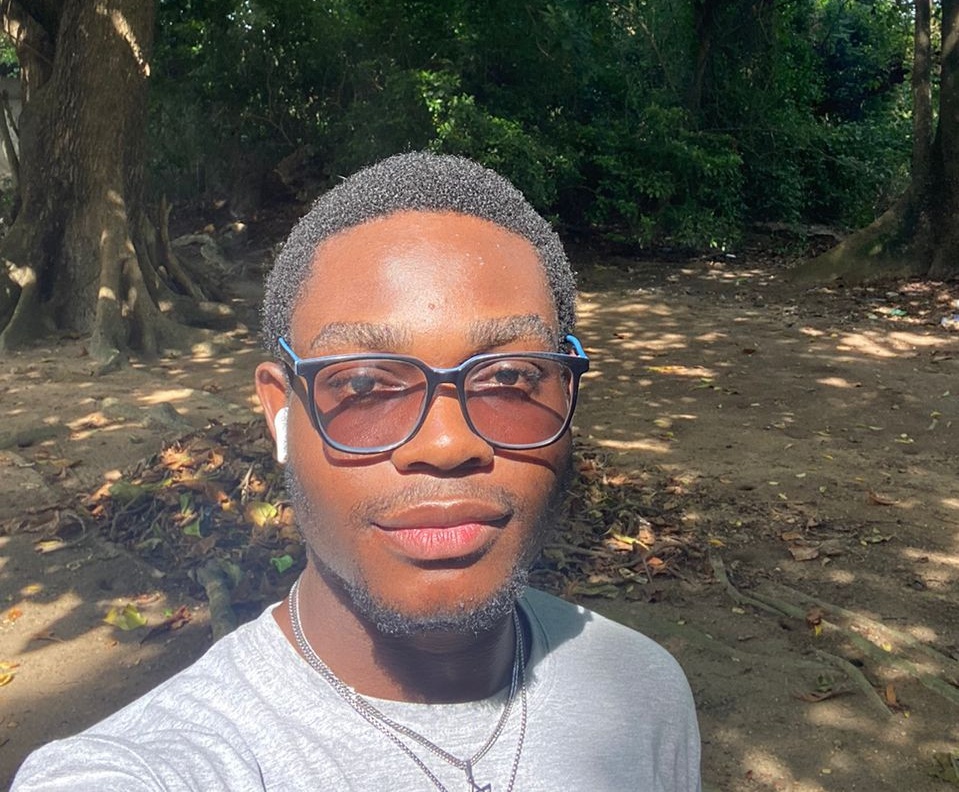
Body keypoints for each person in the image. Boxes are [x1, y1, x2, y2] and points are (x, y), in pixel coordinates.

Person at [14, 152, 701, 792]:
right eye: (366, 384)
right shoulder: (153, 765)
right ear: (281, 414)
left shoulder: (642, 690)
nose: (446, 442)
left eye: (510, 376)